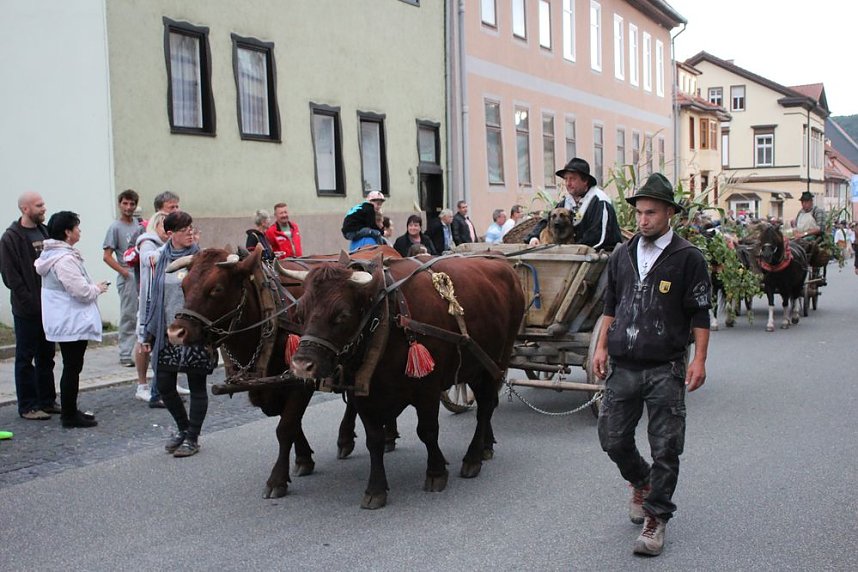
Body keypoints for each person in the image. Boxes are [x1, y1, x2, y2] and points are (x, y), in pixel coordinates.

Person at [592, 172, 711, 557]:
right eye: (639, 213)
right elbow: (611, 304)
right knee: (612, 438)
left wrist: (699, 360)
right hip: (623, 365)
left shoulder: (688, 257)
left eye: (651, 213)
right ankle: (641, 481)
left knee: (666, 447)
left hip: (666, 367)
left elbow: (700, 314)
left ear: (669, 213)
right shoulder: (622, 254)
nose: (643, 220)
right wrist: (601, 347)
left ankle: (656, 517)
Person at [140, 211, 216, 457]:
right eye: (184, 230)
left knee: (196, 385)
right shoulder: (160, 259)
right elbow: (151, 295)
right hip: (166, 332)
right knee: (164, 385)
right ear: (171, 233)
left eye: (191, 229)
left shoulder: (201, 260)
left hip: (194, 332)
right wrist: (147, 332)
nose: (190, 234)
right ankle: (183, 429)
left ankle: (192, 437)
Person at [34, 211, 108, 428]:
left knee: (72, 366)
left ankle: (70, 410)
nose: (79, 231)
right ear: (67, 232)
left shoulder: (53, 256)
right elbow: (80, 291)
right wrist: (98, 288)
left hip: (65, 319)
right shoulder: (64, 259)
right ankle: (69, 415)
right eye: (77, 227)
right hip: (70, 321)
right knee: (72, 367)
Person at [0, 192, 58, 420]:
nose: (44, 208)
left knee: (47, 356)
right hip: (27, 310)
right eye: (39, 205)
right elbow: (10, 276)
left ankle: (47, 400)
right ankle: (28, 405)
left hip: (48, 306)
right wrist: (30, 302)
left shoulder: (45, 232)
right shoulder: (11, 238)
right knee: (25, 358)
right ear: (25, 209)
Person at [526, 158, 622, 250]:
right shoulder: (566, 202)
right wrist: (534, 237)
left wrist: (573, 248)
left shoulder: (600, 201)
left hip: (602, 254)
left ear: (585, 180)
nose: (568, 183)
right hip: (575, 253)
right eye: (566, 179)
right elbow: (548, 221)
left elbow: (598, 236)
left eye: (572, 179)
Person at [102, 189, 143, 368]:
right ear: (120, 204)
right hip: (128, 275)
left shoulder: (139, 224)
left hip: (141, 273)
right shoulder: (115, 227)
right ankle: (125, 353)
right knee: (129, 314)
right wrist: (124, 272)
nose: (128, 207)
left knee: (143, 314)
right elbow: (107, 256)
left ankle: (142, 351)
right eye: (125, 203)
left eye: (132, 204)